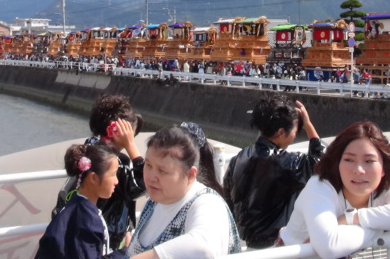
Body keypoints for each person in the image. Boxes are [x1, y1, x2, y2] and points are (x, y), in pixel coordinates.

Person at [278, 121, 390, 258]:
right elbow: (329, 246)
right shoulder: (320, 187)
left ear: (384, 169)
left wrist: (353, 218)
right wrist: (382, 226)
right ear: (337, 164)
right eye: (349, 160)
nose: (359, 170)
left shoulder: (384, 189)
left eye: (369, 161)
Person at [222, 93, 324, 248]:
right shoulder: (288, 163)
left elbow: (228, 198)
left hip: (249, 242)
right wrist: (309, 126)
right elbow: (321, 162)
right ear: (281, 132)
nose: (295, 136)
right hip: (278, 244)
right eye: (296, 131)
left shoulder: (239, 158)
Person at [127, 125, 241, 258]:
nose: (151, 177)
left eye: (162, 171)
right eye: (148, 165)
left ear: (191, 174)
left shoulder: (207, 203)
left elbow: (203, 248)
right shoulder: (152, 203)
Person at [53, 94, 145, 250]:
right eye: (129, 130)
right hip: (103, 238)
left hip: (79, 233)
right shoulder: (113, 162)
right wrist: (131, 146)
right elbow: (141, 185)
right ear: (115, 129)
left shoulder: (87, 151)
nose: (131, 134)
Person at [36, 143, 129, 258]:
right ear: (93, 178)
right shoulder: (87, 221)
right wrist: (125, 252)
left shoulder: (74, 206)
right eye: (113, 174)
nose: (116, 181)